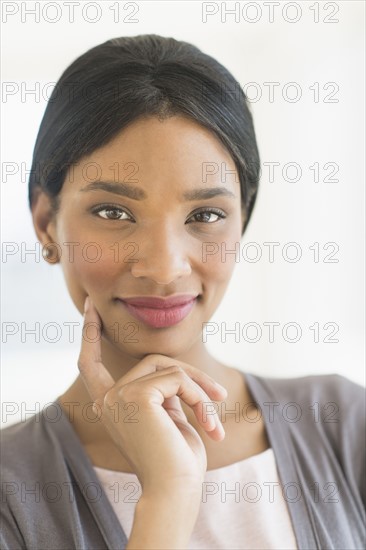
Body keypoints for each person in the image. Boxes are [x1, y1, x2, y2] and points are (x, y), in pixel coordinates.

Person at [1, 34, 364, 550]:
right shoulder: (11, 490)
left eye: (205, 216)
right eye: (113, 212)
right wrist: (168, 499)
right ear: (45, 224)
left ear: (242, 223)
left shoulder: (344, 426)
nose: (165, 268)